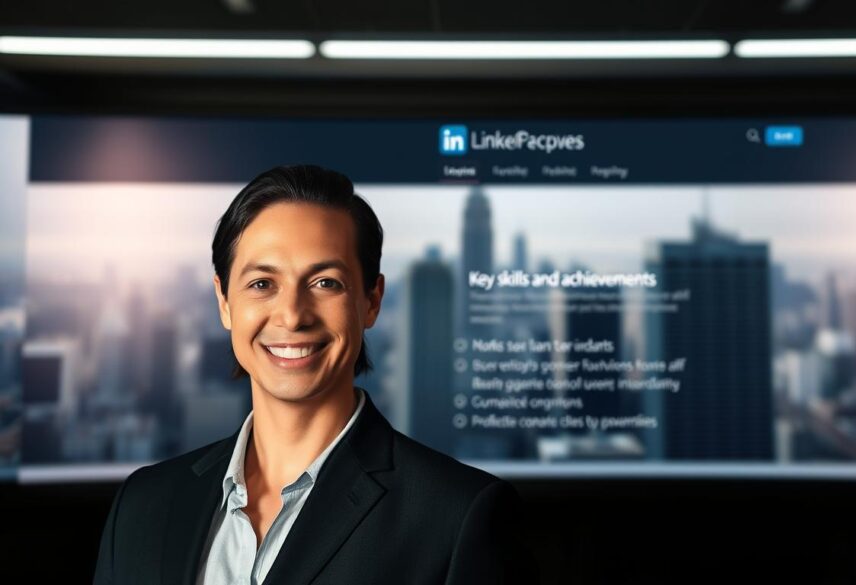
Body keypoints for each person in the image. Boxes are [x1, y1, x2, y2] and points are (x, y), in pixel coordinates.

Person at [93, 164, 540, 585]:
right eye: (262, 284)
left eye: (326, 282)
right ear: (224, 301)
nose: (291, 315)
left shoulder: (457, 516)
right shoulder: (143, 505)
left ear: (371, 300)